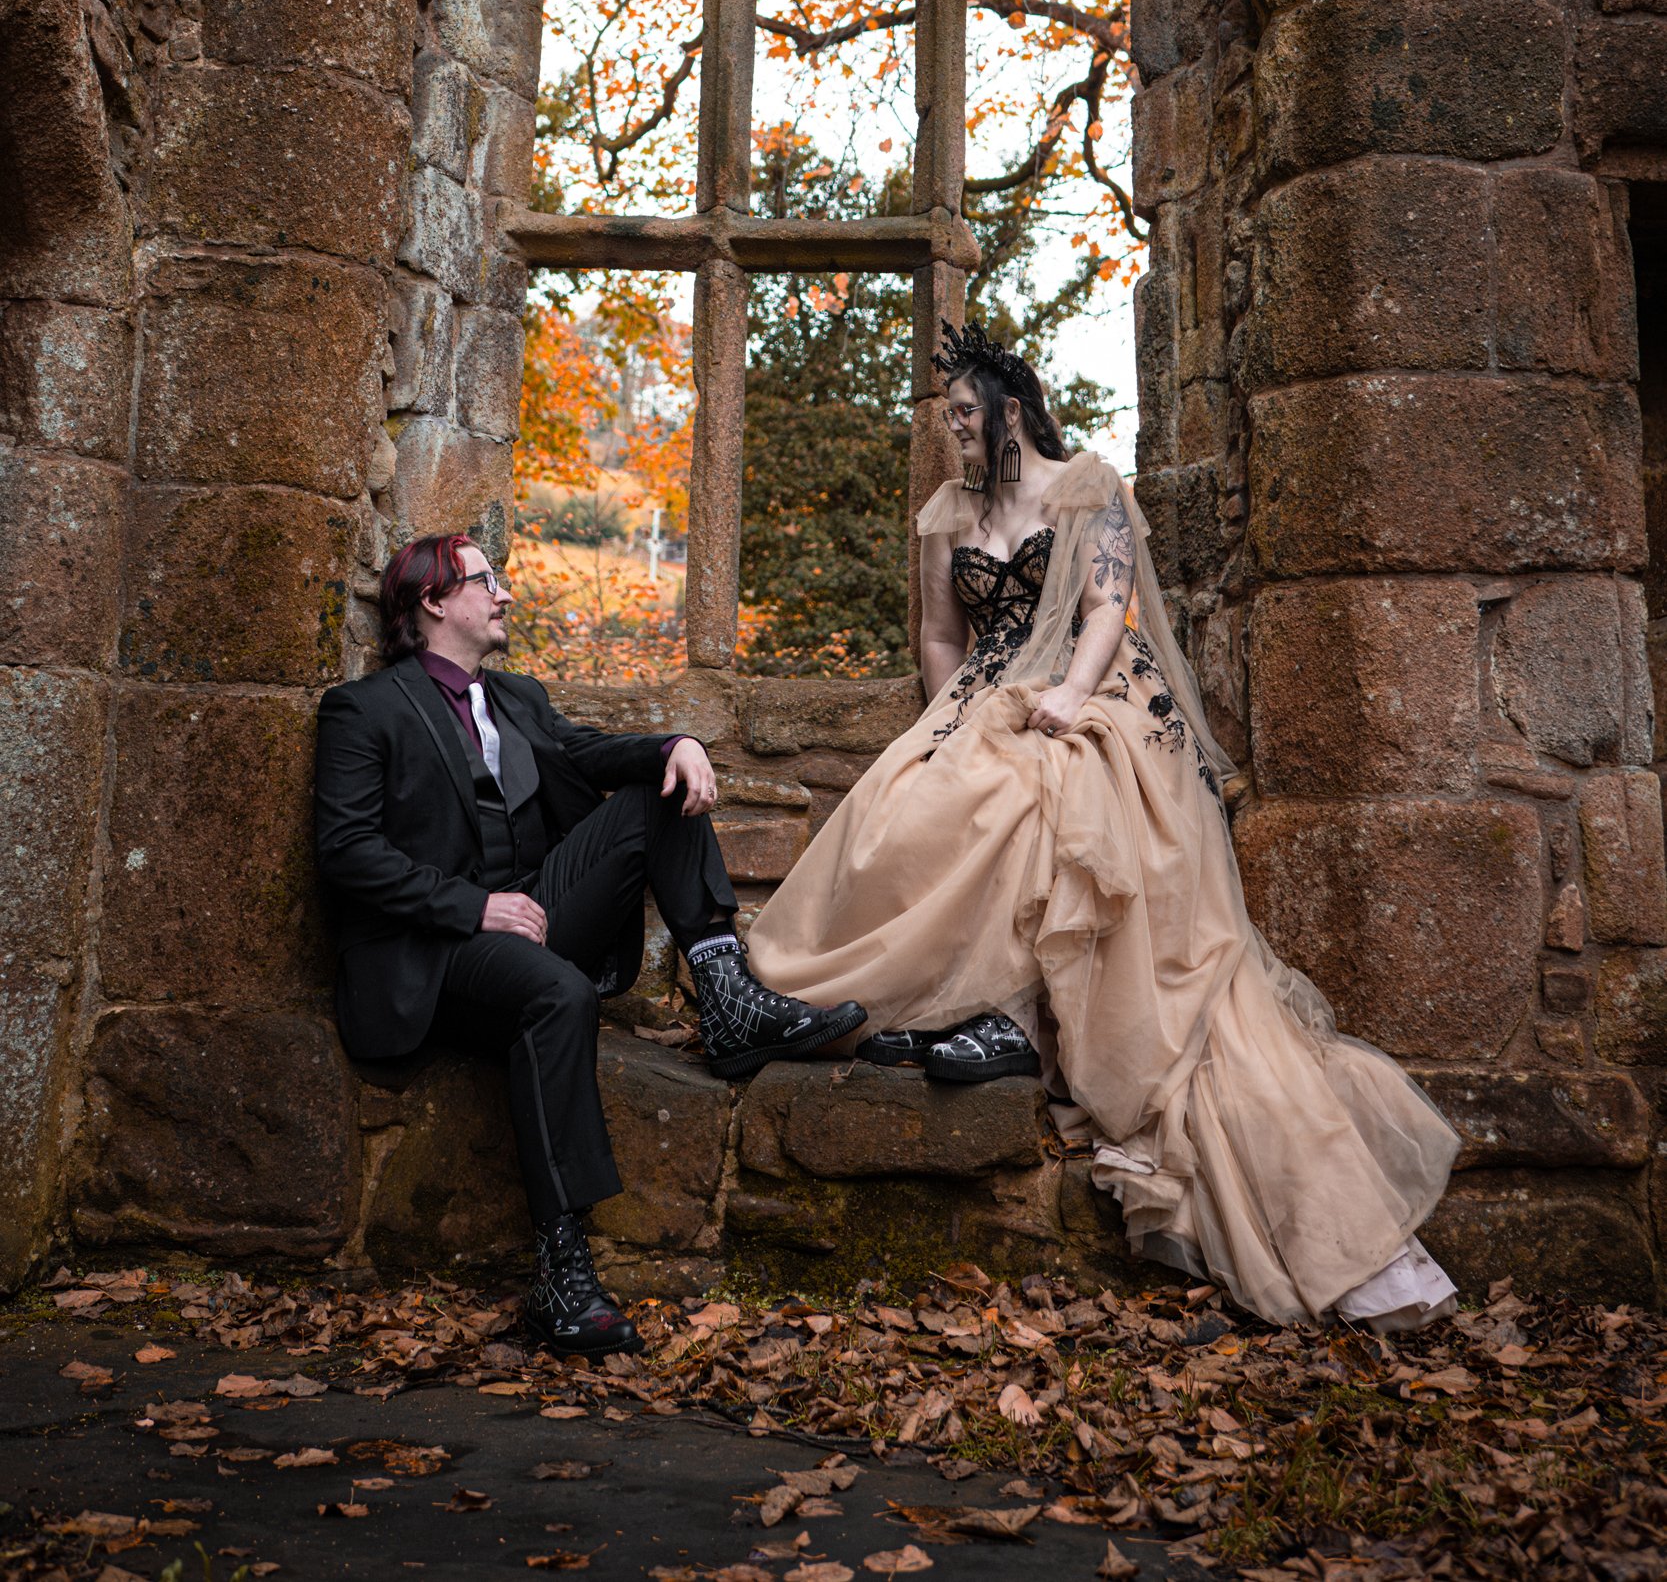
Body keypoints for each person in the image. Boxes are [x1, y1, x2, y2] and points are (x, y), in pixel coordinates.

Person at [747, 321, 1460, 1335]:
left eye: (963, 411)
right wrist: (943, 724)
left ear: (1007, 406)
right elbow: (940, 633)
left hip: (1094, 696)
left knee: (1048, 803)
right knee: (912, 814)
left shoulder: (1087, 487)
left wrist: (1069, 700)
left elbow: (1104, 613)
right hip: (982, 700)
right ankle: (942, 1008)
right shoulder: (945, 514)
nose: (952, 429)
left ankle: (1042, 1030)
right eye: (944, 415)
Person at [314, 534, 864, 1357]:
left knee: (655, 794)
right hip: (435, 948)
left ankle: (727, 999)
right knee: (556, 993)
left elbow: (588, 750)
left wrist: (678, 744)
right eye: (485, 582)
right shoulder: (366, 709)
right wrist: (473, 908)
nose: (504, 595)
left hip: (534, 914)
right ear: (432, 601)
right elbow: (346, 851)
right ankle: (561, 1270)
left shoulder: (518, 697)